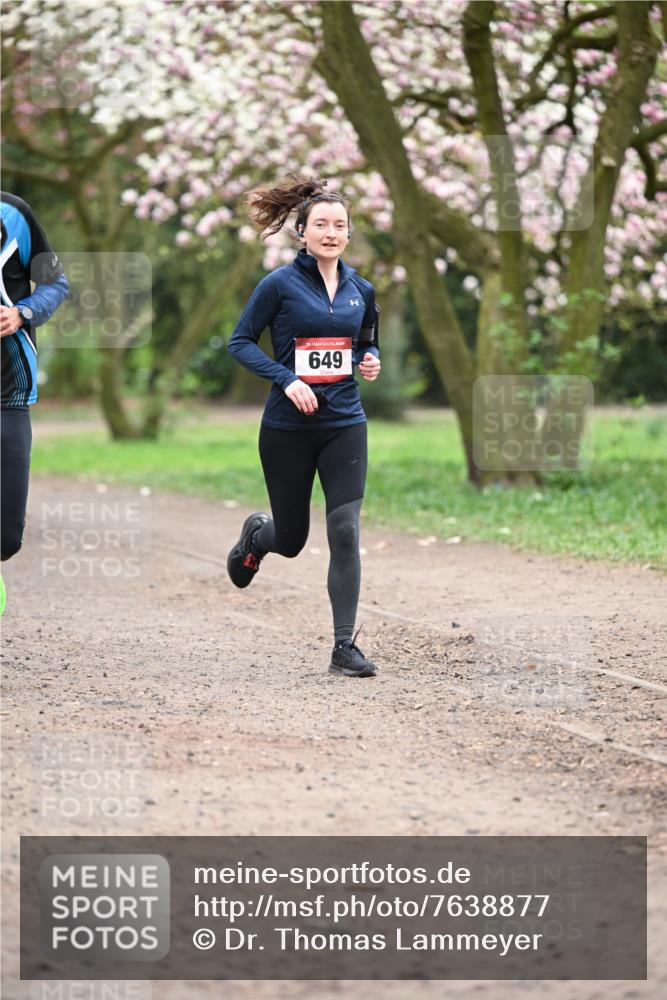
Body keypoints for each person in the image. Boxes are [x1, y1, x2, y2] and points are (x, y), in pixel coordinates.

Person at [226, 175, 382, 678]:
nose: (331, 232)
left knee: (344, 528)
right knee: (291, 539)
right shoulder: (279, 285)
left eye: (340, 225)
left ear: (349, 234)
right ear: (302, 232)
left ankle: (343, 647)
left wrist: (370, 358)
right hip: (287, 429)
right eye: (321, 224)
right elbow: (241, 341)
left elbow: (364, 340)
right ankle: (257, 536)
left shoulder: (362, 289)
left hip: (344, 423)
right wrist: (287, 378)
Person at [1, 191, 70, 577]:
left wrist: (21, 313)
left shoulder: (13, 214)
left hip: (7, 391)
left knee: (7, 539)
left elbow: (55, 285)